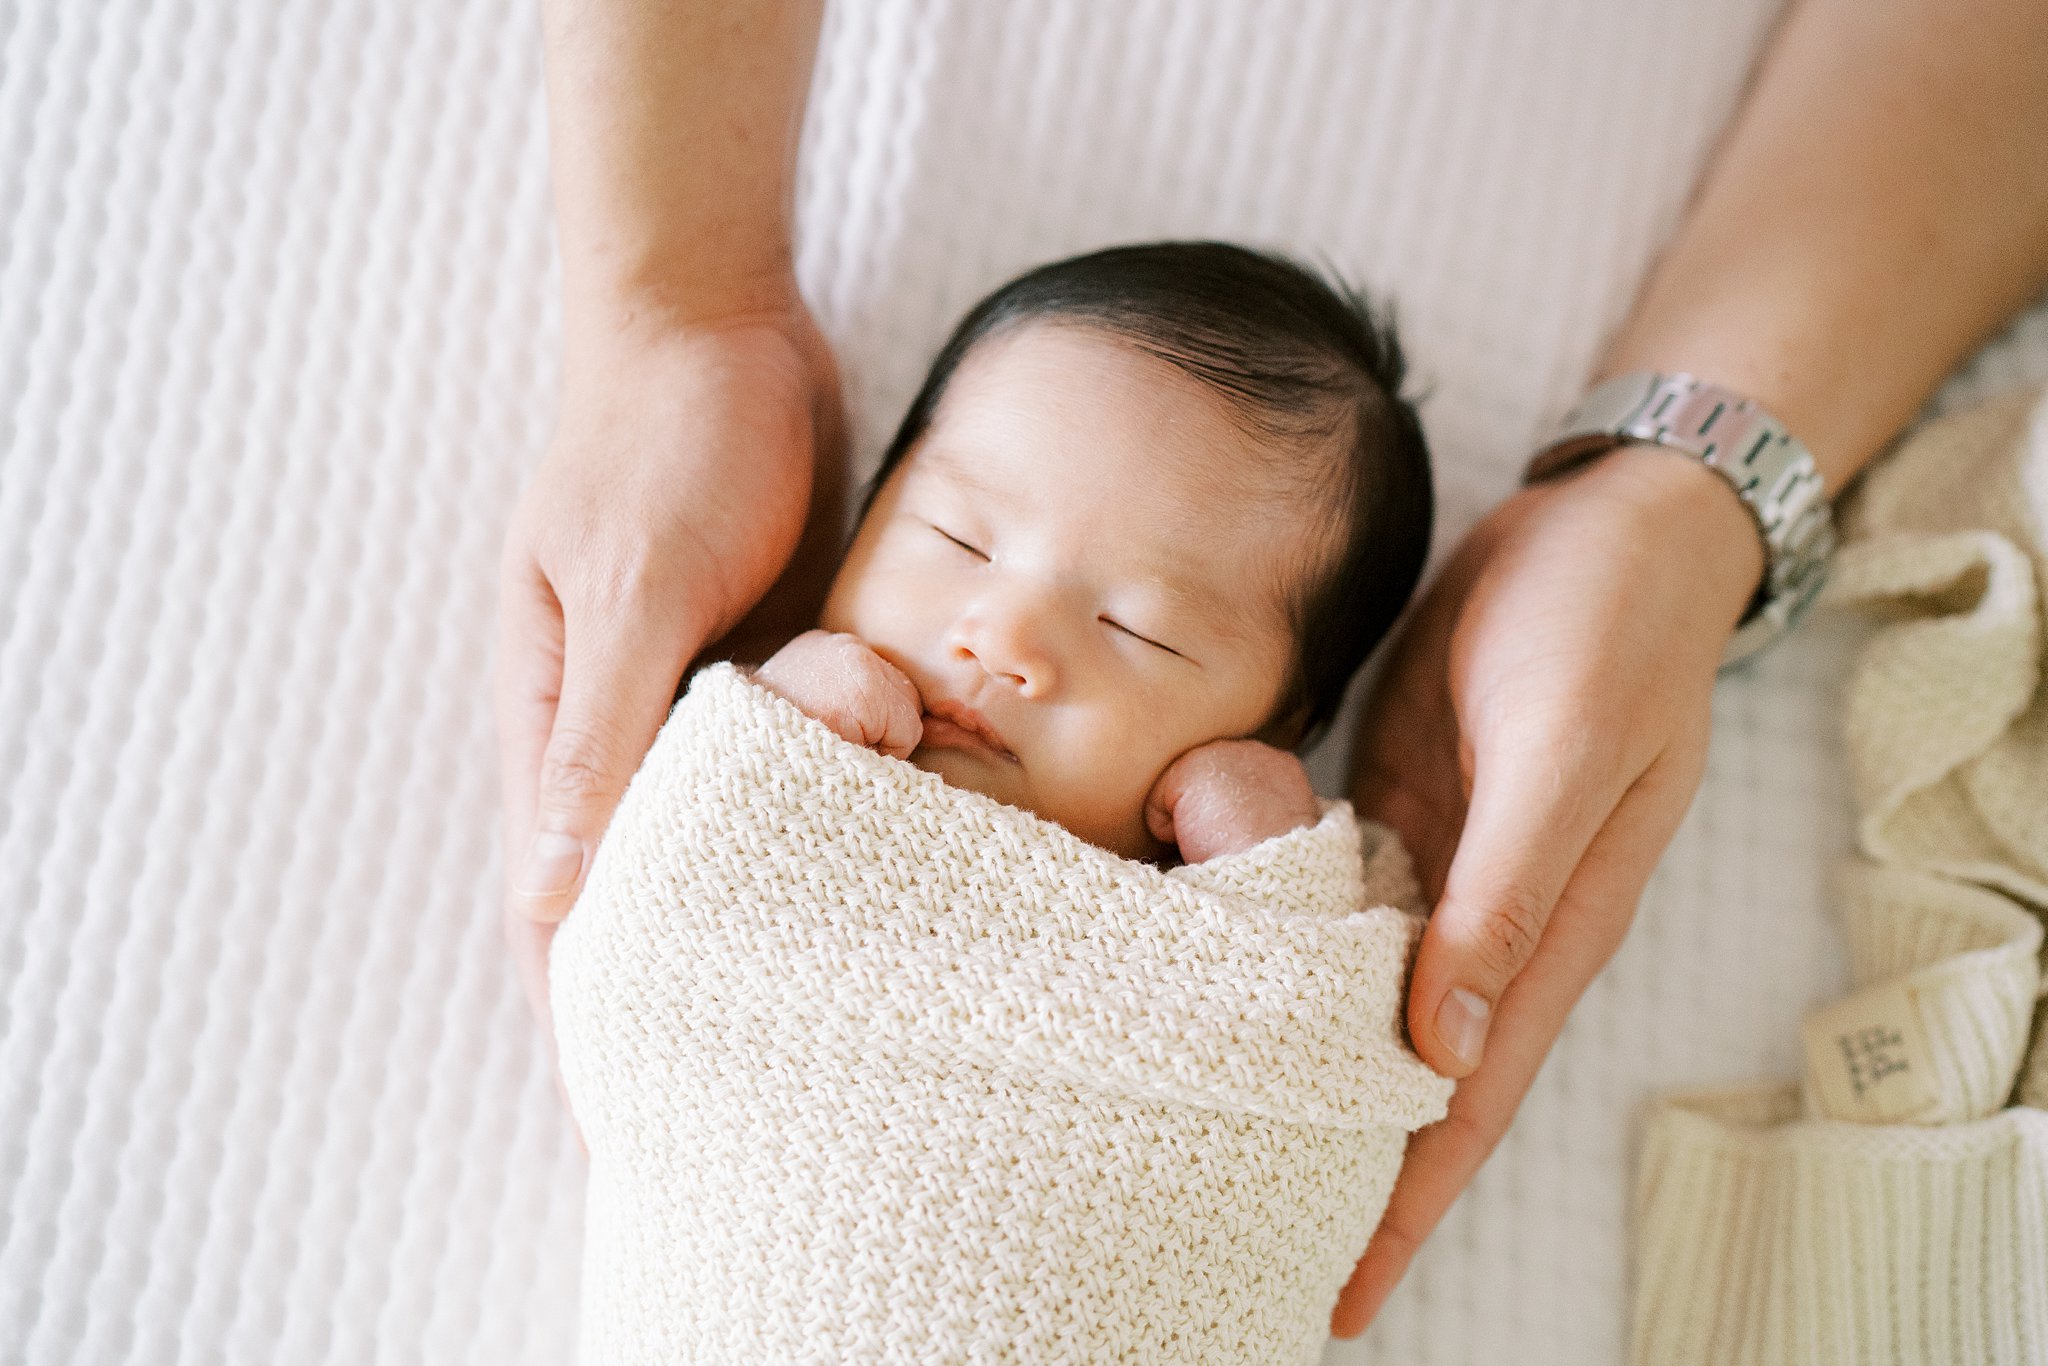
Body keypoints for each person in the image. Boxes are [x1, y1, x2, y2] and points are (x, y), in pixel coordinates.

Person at [497, 0, 2048, 1339]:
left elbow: (1317, 1056)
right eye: (955, 540)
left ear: (1279, 725)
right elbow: (669, 923)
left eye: (1143, 632)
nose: (1004, 640)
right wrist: (775, 725)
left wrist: (1276, 855)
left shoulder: (1256, 899)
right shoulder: (789, 746)